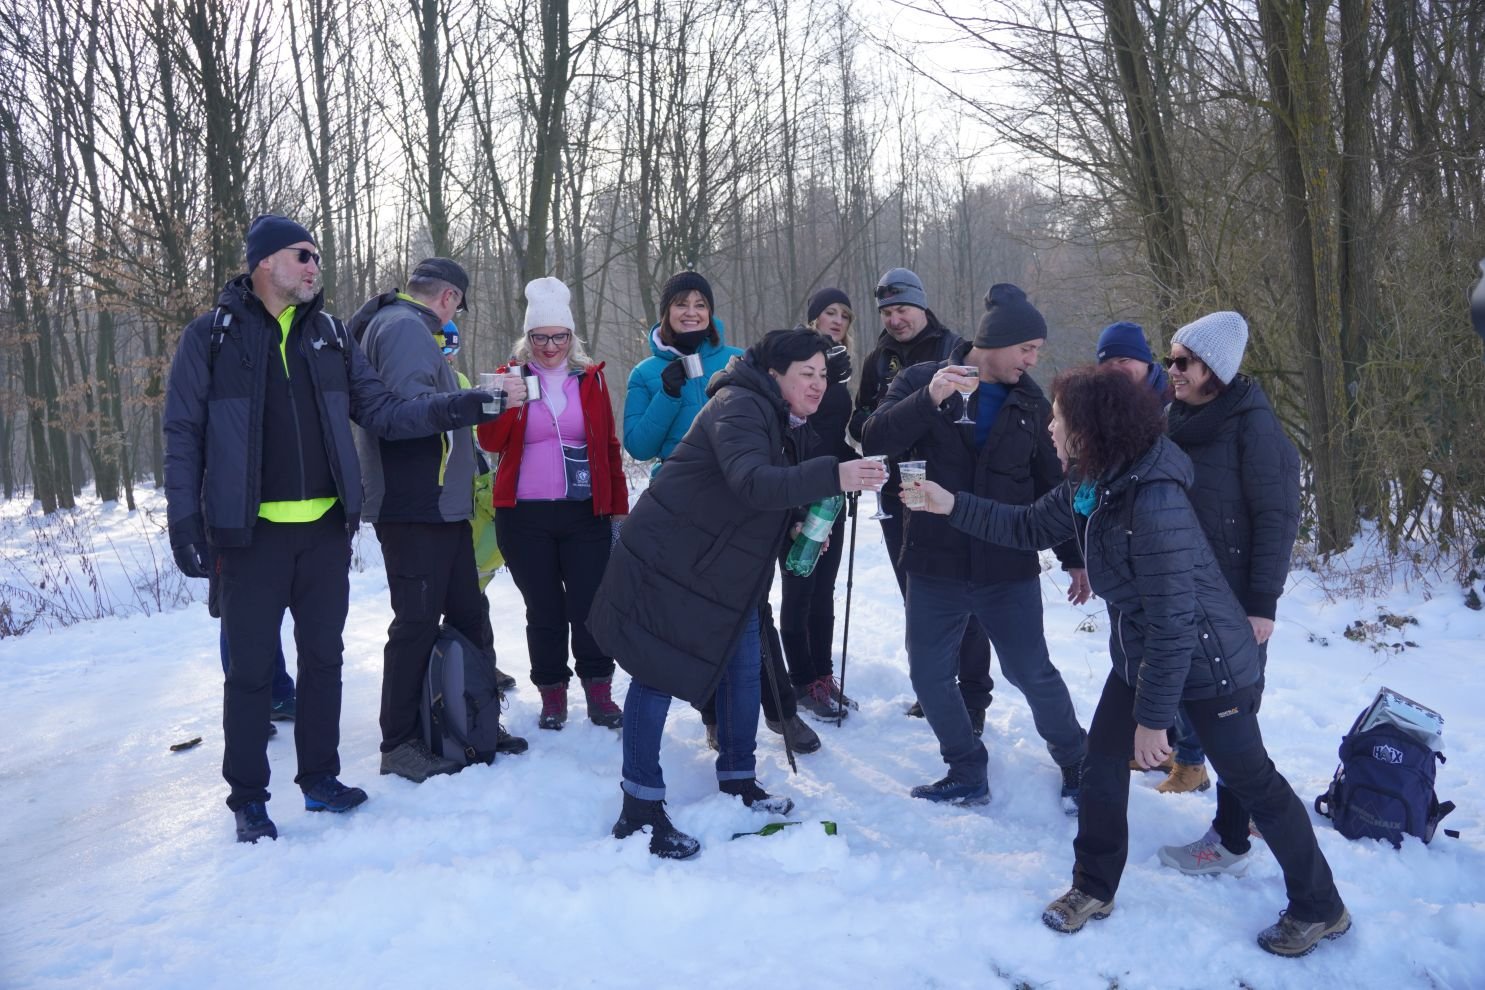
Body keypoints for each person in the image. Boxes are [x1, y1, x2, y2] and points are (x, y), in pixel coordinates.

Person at [911, 364, 1349, 958]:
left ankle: (1322, 907)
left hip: (1207, 661)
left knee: (1255, 784)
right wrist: (948, 503)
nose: (1049, 428)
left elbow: (1175, 621)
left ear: (1090, 429)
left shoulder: (1154, 501)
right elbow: (1025, 525)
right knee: (1100, 765)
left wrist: (1153, 718)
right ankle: (1093, 887)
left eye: (1059, 419)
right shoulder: (1096, 483)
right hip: (1146, 653)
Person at [163, 215, 500, 843]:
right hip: (249, 536)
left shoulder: (330, 338)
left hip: (323, 532)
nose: (316, 267)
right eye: (303, 256)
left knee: (325, 660)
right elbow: (182, 433)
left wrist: (458, 406)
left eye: (318, 257)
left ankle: (319, 778)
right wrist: (185, 518)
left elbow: (382, 412)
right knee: (252, 674)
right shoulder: (211, 337)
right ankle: (249, 798)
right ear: (264, 262)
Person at [588, 329, 888, 859]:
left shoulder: (779, 416)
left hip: (723, 572)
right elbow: (752, 481)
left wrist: (794, 528)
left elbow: (755, 497)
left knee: (745, 669)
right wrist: (834, 474)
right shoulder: (740, 405)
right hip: (673, 563)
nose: (817, 386)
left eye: (823, 375)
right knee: (656, 676)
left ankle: (738, 780)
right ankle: (638, 808)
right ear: (776, 375)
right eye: (806, 375)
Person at [863, 282, 1088, 810]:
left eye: (1036, 350)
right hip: (933, 559)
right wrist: (930, 397)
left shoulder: (1032, 402)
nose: (1032, 360)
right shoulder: (924, 379)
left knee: (1031, 671)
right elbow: (875, 438)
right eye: (1026, 349)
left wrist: (1073, 557)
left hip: (1005, 565)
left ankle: (1077, 761)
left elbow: (1048, 489)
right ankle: (965, 767)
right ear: (995, 343)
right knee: (928, 674)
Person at [624, 272, 820, 754]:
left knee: (754, 610)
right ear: (666, 311)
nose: (691, 312)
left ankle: (781, 712)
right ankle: (715, 715)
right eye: (681, 304)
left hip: (746, 504)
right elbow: (639, 444)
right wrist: (669, 396)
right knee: (696, 617)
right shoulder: (646, 373)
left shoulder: (738, 362)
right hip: (684, 508)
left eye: (700, 304)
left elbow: (779, 438)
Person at [352, 257, 529, 785]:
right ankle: (399, 744)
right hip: (415, 505)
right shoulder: (405, 328)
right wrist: (480, 402)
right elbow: (406, 416)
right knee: (416, 623)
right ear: (449, 298)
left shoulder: (404, 327)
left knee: (468, 612)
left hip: (443, 506)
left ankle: (476, 720)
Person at [1154, 312, 1303, 868]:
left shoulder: (1253, 426)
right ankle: (1250, 818)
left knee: (1232, 719)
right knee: (1217, 716)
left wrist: (1262, 604)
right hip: (1189, 592)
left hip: (1238, 603)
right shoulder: (1177, 418)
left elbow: (1278, 516)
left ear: (1214, 369)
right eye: (1171, 359)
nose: (1172, 370)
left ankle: (1233, 836)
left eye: (1183, 361)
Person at [476, 277, 629, 731]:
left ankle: (599, 692)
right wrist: (504, 401)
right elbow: (490, 441)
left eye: (558, 336)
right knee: (543, 608)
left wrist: (618, 506)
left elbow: (607, 447)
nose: (549, 346)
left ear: (571, 337)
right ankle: (552, 695)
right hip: (523, 516)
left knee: (588, 605)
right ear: (528, 338)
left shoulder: (591, 380)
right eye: (540, 337)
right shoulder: (511, 377)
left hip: (585, 514)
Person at [849, 268, 995, 731]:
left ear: (922, 307)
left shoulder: (954, 349)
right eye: (888, 312)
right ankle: (934, 689)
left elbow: (977, 421)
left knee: (962, 597)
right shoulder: (877, 360)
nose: (896, 319)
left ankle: (972, 698)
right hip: (897, 491)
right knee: (917, 595)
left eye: (903, 309)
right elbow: (860, 425)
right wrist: (879, 425)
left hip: (949, 493)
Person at [1095, 320, 1205, 790]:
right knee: (1143, 659)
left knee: (1183, 662)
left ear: (1146, 362)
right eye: (1108, 362)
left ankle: (1192, 761)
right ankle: (1158, 749)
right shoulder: (1114, 409)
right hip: (1132, 552)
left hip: (1176, 549)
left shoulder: (1173, 406)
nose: (1117, 369)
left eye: (1125, 360)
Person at [779, 288, 858, 720]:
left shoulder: (839, 365)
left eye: (845, 314)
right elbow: (794, 424)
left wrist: (853, 463)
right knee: (799, 585)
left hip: (832, 490)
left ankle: (822, 675)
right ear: (812, 318)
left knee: (824, 588)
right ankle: (800, 679)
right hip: (796, 491)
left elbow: (831, 434)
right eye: (829, 312)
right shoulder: (795, 360)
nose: (837, 320)